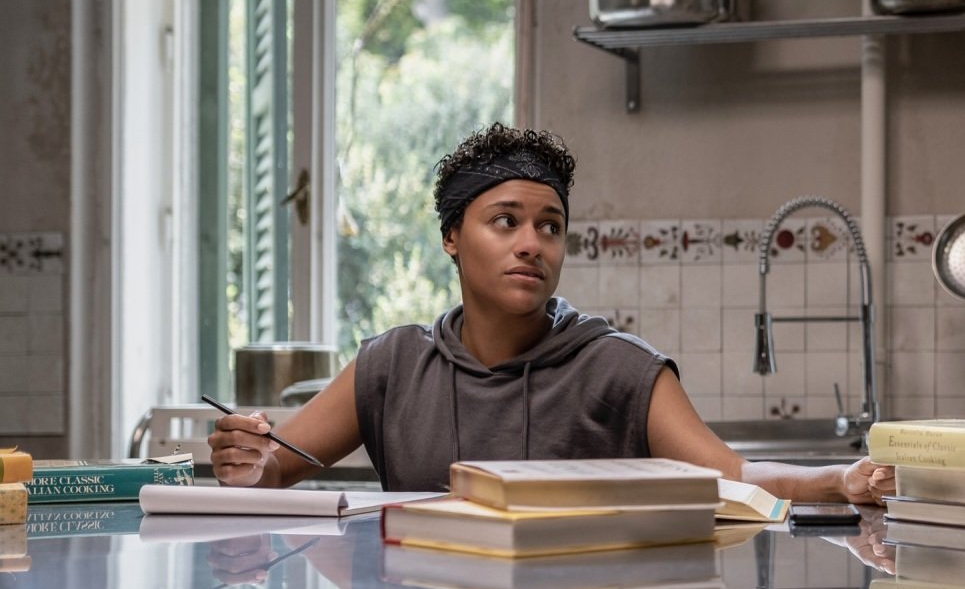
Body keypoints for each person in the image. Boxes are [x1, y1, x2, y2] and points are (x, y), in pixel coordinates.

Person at [209, 123, 894, 507]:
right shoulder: (391, 365)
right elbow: (278, 465)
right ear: (451, 237)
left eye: (550, 225)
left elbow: (731, 477)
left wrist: (837, 478)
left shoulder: (621, 369)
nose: (531, 243)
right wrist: (247, 456)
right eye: (505, 221)